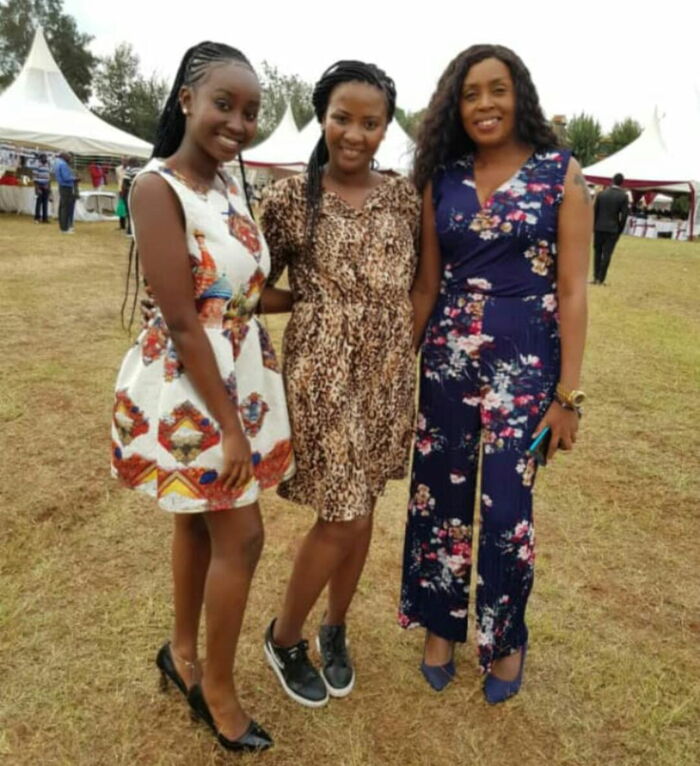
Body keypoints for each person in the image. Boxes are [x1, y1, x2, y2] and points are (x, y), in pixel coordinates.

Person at [111, 41, 294, 753]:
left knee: (195, 521)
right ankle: (216, 686)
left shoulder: (225, 187)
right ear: (186, 100)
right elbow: (184, 317)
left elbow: (240, 293)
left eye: (251, 111)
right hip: (196, 389)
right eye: (226, 103)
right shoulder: (157, 188)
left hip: (237, 373)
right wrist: (231, 429)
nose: (240, 123)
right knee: (242, 535)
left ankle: (181, 654)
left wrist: (309, 296)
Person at [398, 44, 591, 703]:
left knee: (508, 509)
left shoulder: (560, 172)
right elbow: (426, 284)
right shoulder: (441, 176)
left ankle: (505, 640)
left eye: (497, 89)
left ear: (520, 96)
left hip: (526, 362)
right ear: (457, 105)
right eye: (471, 93)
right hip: (448, 356)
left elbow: (573, 291)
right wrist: (402, 364)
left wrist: (568, 394)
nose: (484, 103)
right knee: (437, 498)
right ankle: (439, 627)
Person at [259, 60, 434, 707]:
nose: (355, 133)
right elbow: (256, 283)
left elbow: (423, 284)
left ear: (387, 127)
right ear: (321, 117)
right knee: (343, 513)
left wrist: (397, 348)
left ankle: (335, 629)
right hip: (322, 373)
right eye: (342, 118)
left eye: (371, 122)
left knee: (365, 516)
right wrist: (310, 306)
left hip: (388, 374)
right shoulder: (286, 197)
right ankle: (283, 637)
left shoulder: (405, 196)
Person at [593, 172, 628, 284]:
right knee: (607, 254)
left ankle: (595, 276)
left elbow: (595, 212)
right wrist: (620, 229)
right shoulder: (623, 196)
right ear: (622, 183)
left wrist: (594, 226)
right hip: (613, 228)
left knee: (597, 252)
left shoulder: (601, 194)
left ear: (612, 180)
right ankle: (601, 278)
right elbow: (624, 215)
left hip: (599, 227)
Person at [54, 152, 77, 233]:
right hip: (66, 187)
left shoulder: (57, 163)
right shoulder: (63, 164)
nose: (70, 158)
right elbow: (66, 177)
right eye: (69, 157)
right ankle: (65, 228)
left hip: (61, 186)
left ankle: (62, 227)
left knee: (62, 207)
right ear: (64, 156)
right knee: (66, 208)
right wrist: (75, 179)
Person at [32, 153, 51, 223]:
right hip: (39, 186)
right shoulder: (37, 165)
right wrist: (37, 188)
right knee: (38, 203)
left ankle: (45, 218)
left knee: (45, 203)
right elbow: (34, 177)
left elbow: (48, 177)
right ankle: (37, 218)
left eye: (46, 158)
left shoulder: (47, 165)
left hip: (46, 186)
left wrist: (48, 186)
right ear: (40, 159)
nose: (45, 159)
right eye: (44, 158)